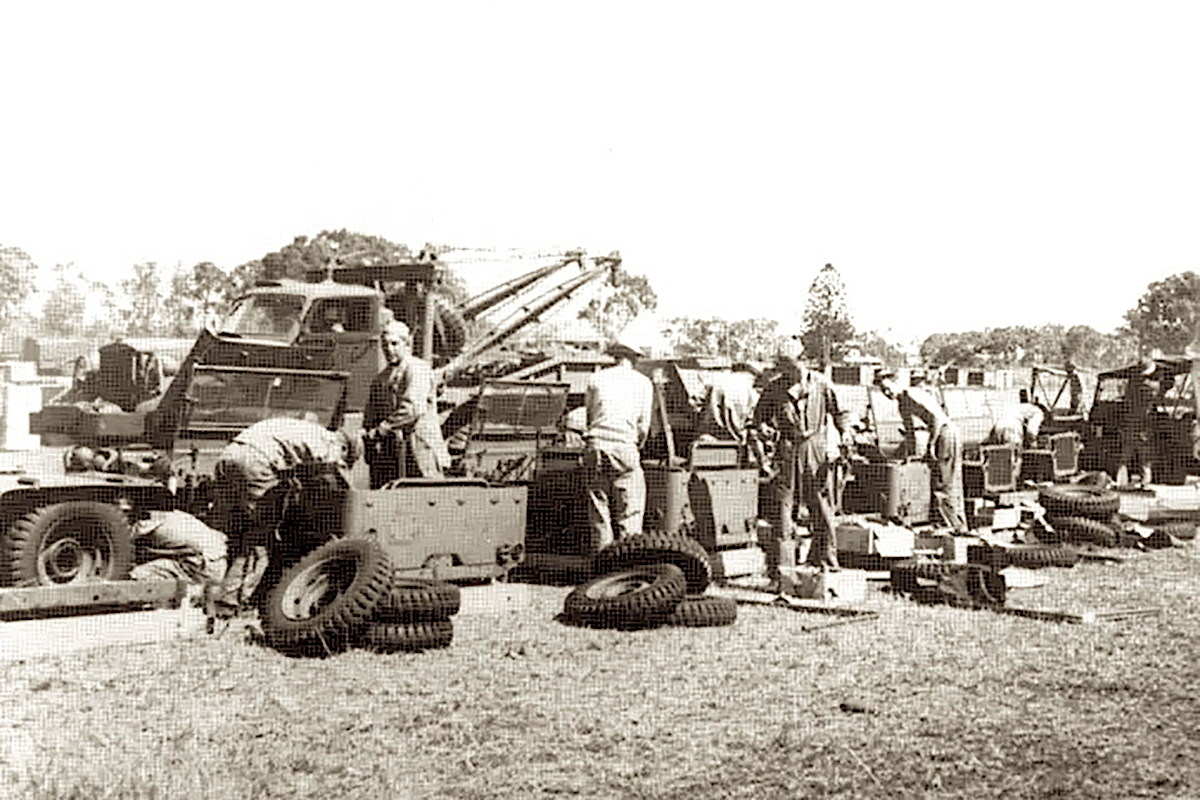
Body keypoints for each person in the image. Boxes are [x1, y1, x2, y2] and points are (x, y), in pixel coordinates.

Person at [212, 416, 362, 607]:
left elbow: (298, 474)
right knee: (260, 540)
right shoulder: (330, 443)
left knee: (233, 531)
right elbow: (340, 485)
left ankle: (210, 591)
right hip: (256, 462)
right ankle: (235, 600)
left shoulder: (307, 431)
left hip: (228, 457)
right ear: (345, 448)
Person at [749, 346, 850, 580]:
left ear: (802, 360)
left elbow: (840, 413)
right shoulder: (775, 388)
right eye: (782, 366)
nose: (786, 371)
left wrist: (845, 434)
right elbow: (757, 420)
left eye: (790, 366)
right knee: (783, 508)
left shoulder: (822, 384)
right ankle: (783, 571)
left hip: (816, 448)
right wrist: (763, 430)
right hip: (787, 449)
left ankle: (826, 561)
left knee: (821, 505)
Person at [875, 372, 968, 534]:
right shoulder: (902, 404)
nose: (887, 393)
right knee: (939, 479)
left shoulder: (911, 394)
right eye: (883, 391)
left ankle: (952, 526)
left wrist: (931, 445)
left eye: (887, 388)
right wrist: (909, 458)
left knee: (945, 481)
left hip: (945, 433)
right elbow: (910, 433)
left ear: (896, 382)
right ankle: (950, 523)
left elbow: (937, 419)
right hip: (940, 435)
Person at [363, 320, 451, 487]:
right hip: (391, 453)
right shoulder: (380, 378)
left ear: (407, 343)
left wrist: (382, 428)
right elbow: (370, 413)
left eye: (395, 343)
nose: (389, 349)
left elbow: (413, 409)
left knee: (426, 497)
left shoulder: (417, 369)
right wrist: (369, 438)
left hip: (419, 450)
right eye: (385, 345)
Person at [584, 341, 654, 550]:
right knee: (630, 510)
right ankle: (627, 564)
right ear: (634, 359)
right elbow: (644, 426)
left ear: (614, 356)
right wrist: (635, 446)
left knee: (599, 509)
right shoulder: (643, 383)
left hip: (596, 444)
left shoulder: (596, 378)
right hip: (624, 445)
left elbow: (589, 416)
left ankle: (601, 564)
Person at [987, 389, 1045, 484]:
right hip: (1012, 428)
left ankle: (998, 482)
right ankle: (1014, 484)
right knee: (1015, 457)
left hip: (998, 426)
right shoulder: (1038, 412)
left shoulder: (1016, 407)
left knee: (1000, 456)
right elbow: (1031, 431)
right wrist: (1033, 444)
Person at [1116, 357, 1157, 485]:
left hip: (1129, 425)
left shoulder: (1130, 386)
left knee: (1125, 456)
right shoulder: (1149, 387)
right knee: (1145, 457)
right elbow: (1149, 408)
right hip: (1142, 426)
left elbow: (1125, 405)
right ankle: (1145, 483)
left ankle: (1121, 481)